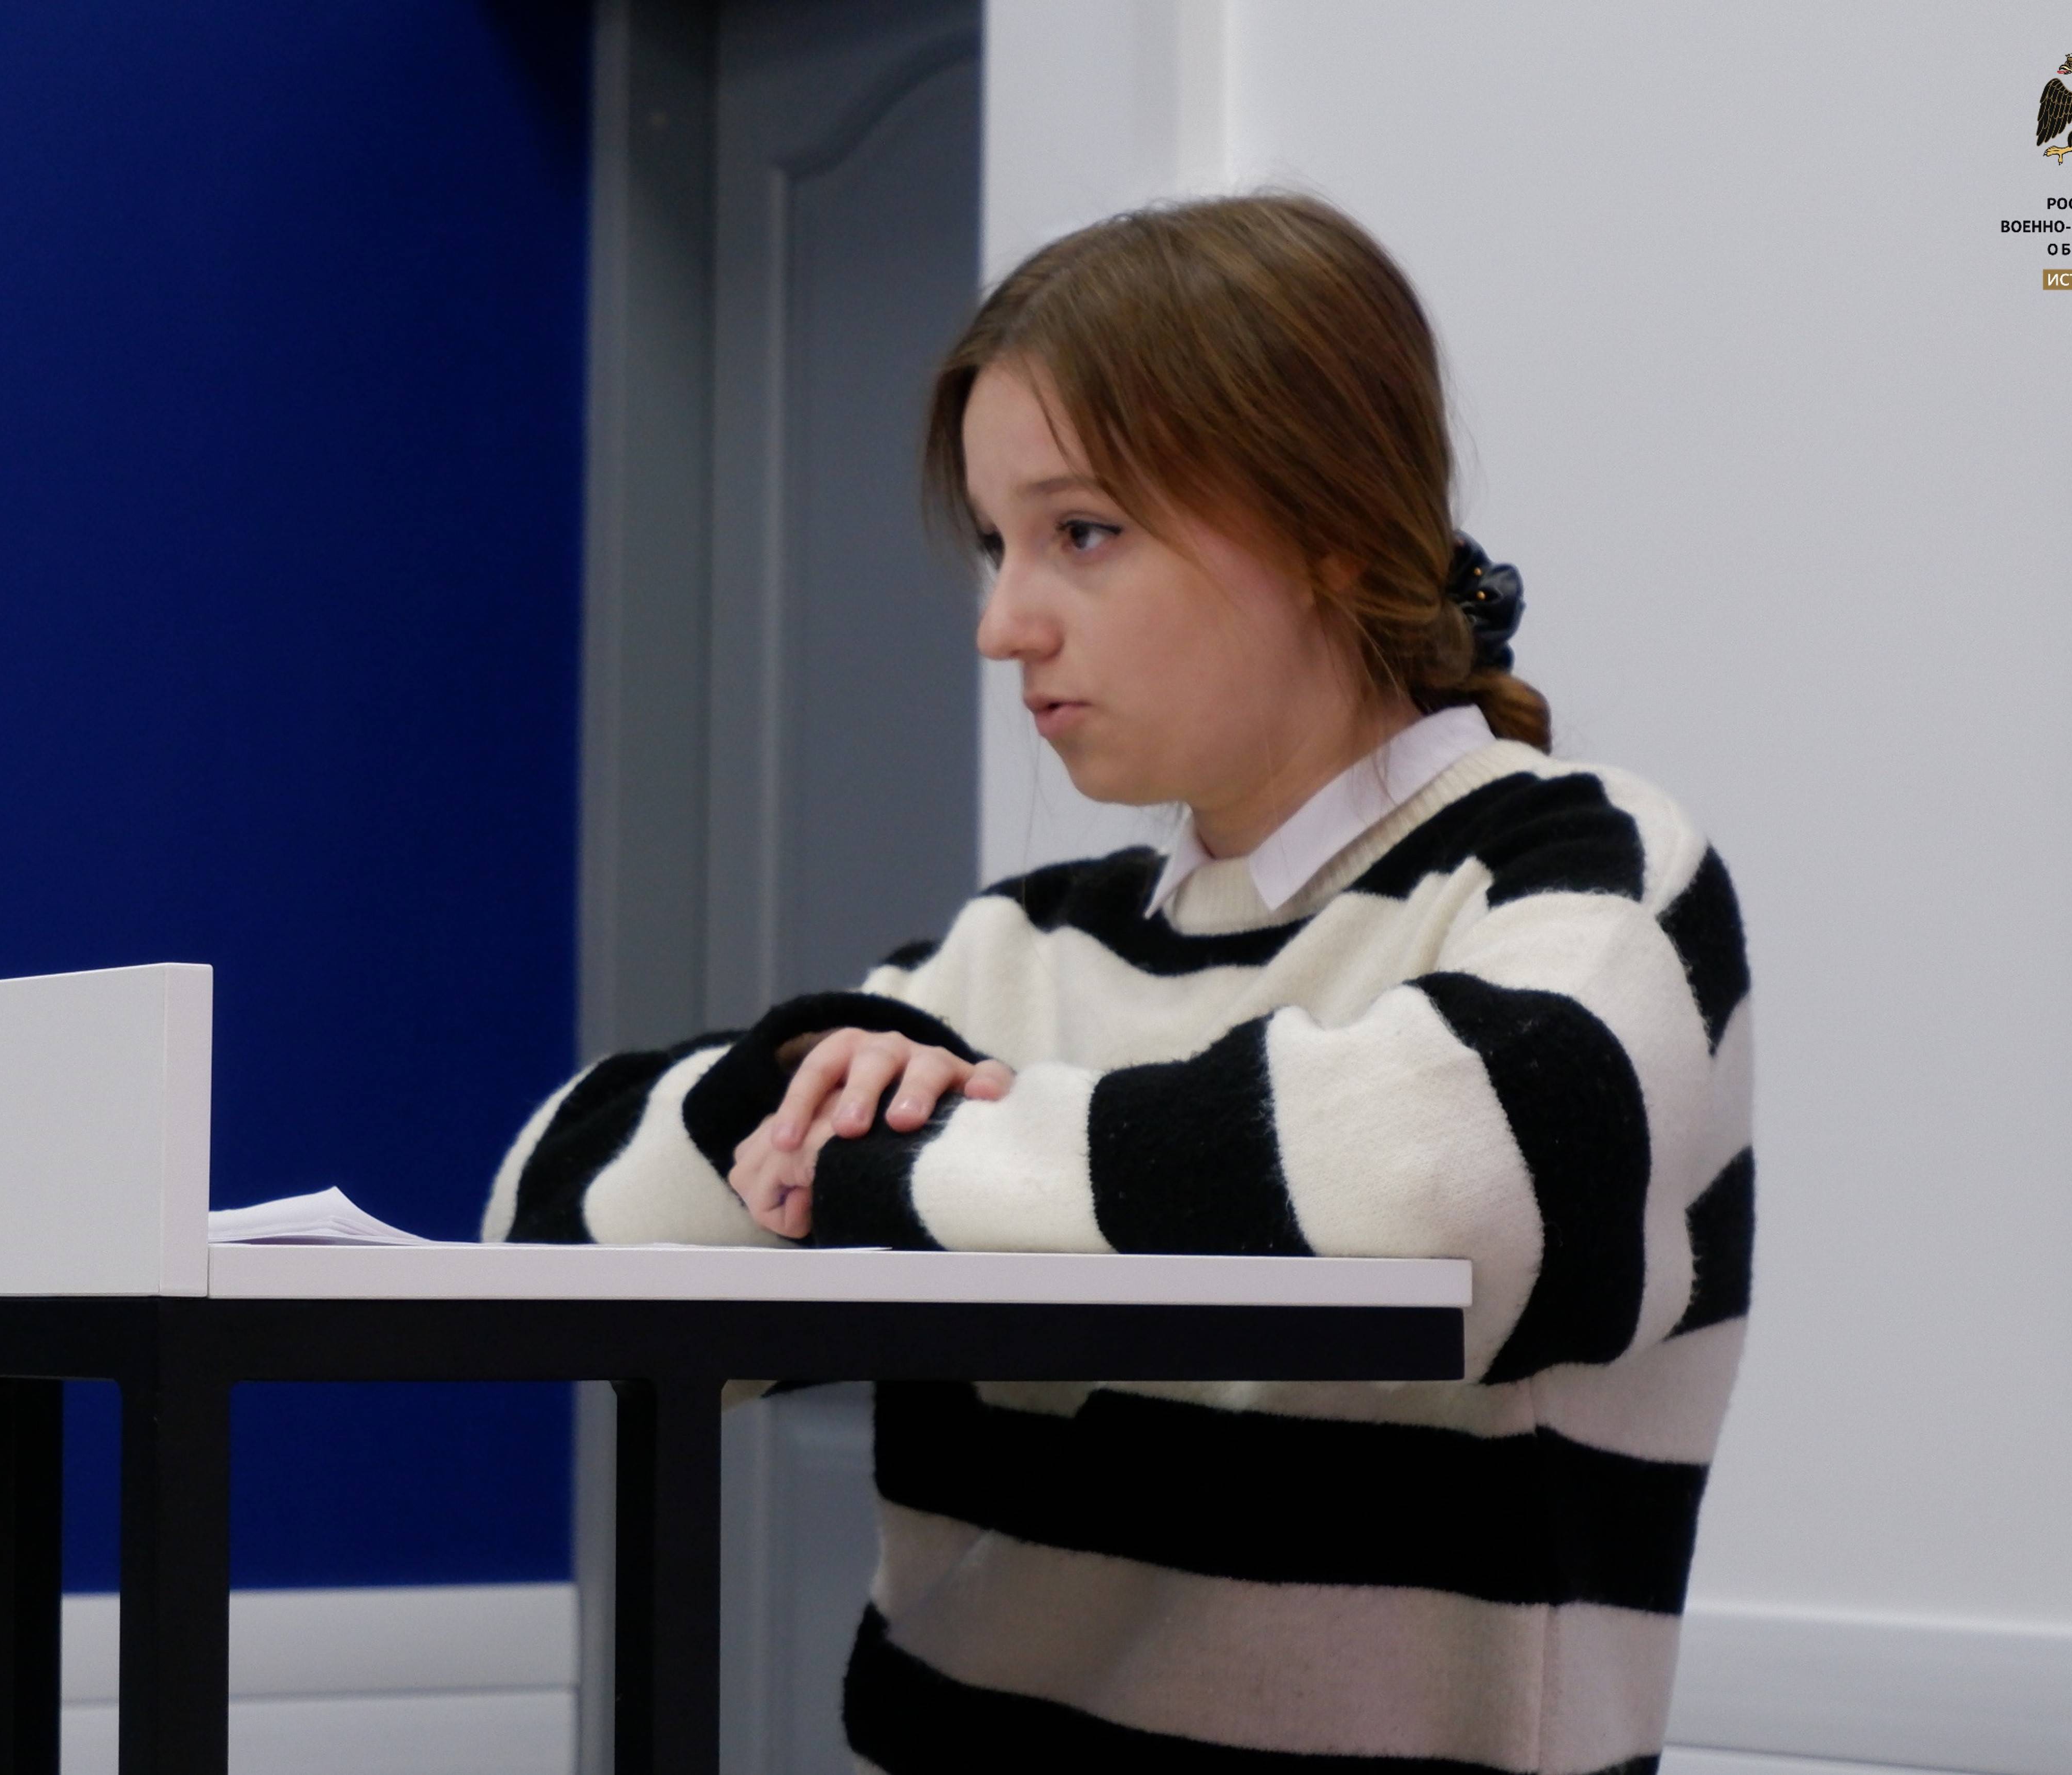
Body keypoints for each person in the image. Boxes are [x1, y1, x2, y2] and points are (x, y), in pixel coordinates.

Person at [483, 193, 1750, 1775]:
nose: (1001, 625)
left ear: (1328, 529)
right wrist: (797, 1086)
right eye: (994, 543)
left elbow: (1445, 1185)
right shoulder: (1018, 948)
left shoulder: (1587, 872)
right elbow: (545, 1240)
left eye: (1081, 532)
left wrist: (889, 1159)